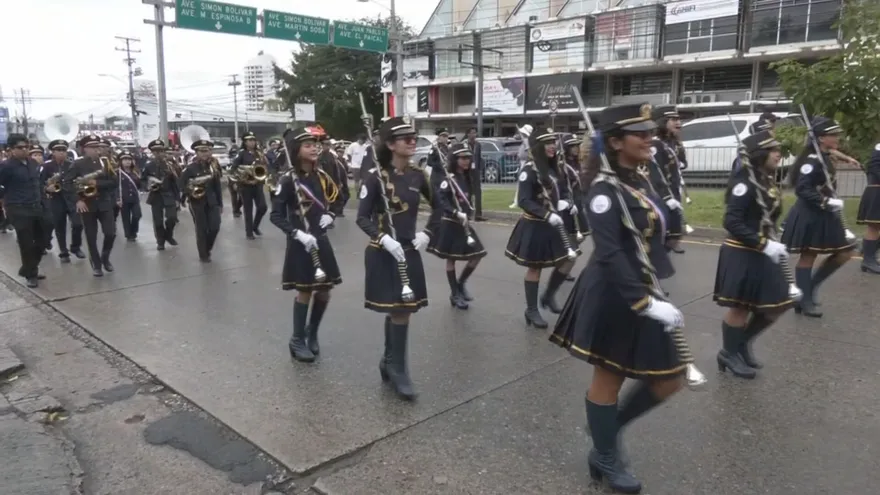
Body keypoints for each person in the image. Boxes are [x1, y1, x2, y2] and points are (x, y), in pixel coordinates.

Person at [550, 104, 687, 494]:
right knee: (610, 375)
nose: (650, 137)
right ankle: (607, 454)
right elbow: (609, 254)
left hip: (645, 286)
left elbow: (650, 237)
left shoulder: (639, 180)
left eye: (651, 132)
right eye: (639, 134)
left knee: (669, 380)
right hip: (615, 293)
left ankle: (605, 434)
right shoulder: (602, 192)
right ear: (614, 142)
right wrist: (645, 302)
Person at [356, 116, 435, 401]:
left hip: (409, 249)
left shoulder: (417, 175)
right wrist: (382, 238)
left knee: (403, 308)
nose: (413, 142)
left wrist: (427, 233)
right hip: (383, 251)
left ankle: (391, 362)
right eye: (406, 139)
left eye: (414, 138)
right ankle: (398, 368)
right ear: (390, 144)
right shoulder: (375, 176)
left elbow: (441, 207)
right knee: (398, 308)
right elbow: (362, 218)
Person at [713, 131, 795, 379]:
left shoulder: (765, 179)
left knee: (774, 306)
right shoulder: (744, 183)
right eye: (773, 150)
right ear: (760, 155)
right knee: (740, 308)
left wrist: (772, 231)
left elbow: (764, 214)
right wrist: (762, 243)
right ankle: (729, 353)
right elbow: (732, 221)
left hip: (762, 252)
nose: (779, 153)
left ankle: (740, 344)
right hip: (743, 252)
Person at [269, 127, 343, 363]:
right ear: (297, 150)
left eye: (315, 144)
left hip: (320, 238)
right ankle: (297, 339)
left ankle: (313, 332)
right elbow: (276, 215)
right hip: (301, 241)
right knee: (305, 290)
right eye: (308, 145)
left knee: (325, 290)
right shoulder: (288, 179)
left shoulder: (322, 176)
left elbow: (340, 197)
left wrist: (331, 214)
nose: (314, 148)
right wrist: (297, 233)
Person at [504, 127, 580, 329]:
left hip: (555, 223)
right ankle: (531, 309)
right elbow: (524, 200)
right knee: (535, 267)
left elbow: (563, 190)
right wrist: (546, 214)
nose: (552, 146)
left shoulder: (554, 168)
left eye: (553, 142)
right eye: (547, 143)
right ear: (538, 147)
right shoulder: (529, 170)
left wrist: (567, 203)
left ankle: (548, 295)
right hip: (536, 224)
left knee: (568, 260)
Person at [781, 117, 856, 317]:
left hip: (826, 214)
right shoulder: (811, 161)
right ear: (821, 138)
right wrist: (826, 202)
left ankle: (809, 287)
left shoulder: (823, 153)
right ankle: (803, 300)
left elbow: (831, 152)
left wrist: (845, 157)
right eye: (833, 135)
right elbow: (803, 189)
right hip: (811, 213)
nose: (837, 137)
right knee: (809, 256)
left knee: (845, 252)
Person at [426, 142, 487, 309]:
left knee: (477, 255)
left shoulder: (466, 177)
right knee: (451, 260)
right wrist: (455, 212)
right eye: (463, 158)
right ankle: (454, 294)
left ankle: (460, 284)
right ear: (455, 159)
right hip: (451, 223)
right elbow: (442, 201)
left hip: (464, 224)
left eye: (468, 157)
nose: (466, 161)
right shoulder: (449, 180)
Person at [63, 135, 117, 277]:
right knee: (91, 236)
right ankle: (96, 264)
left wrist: (97, 184)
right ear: (84, 149)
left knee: (110, 233)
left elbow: (114, 182)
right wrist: (77, 200)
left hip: (104, 202)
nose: (96, 150)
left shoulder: (106, 162)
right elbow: (67, 184)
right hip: (87, 204)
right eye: (92, 147)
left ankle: (105, 257)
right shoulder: (77, 164)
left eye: (97, 147)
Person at [0, 134, 51, 287]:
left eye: (26, 147)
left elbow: (37, 183)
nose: (24, 150)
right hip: (18, 208)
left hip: (36, 206)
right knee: (26, 243)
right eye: (20, 147)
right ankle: (31, 274)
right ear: (11, 149)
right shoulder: (6, 166)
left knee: (44, 239)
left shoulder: (33, 163)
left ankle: (28, 268)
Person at [649, 106, 686, 253]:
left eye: (678, 119)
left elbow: (683, 162)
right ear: (663, 122)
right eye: (674, 119)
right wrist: (666, 196)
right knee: (664, 231)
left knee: (676, 230)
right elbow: (654, 172)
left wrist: (680, 164)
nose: (679, 123)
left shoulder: (675, 143)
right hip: (661, 192)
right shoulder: (655, 144)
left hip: (675, 188)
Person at [179, 139, 223, 262]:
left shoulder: (213, 166)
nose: (205, 153)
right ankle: (203, 254)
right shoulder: (190, 168)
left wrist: (220, 203)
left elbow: (217, 187)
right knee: (201, 228)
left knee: (215, 227)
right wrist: (191, 188)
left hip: (212, 201)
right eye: (202, 151)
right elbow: (181, 184)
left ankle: (207, 248)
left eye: (207, 151)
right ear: (196, 152)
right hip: (197, 202)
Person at [41, 139, 85, 262]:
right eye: (58, 150)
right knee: (60, 227)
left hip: (72, 199)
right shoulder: (47, 166)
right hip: (56, 199)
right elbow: (39, 183)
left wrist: (80, 198)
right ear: (53, 152)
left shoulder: (72, 165)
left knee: (78, 224)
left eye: (64, 150)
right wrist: (46, 188)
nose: (61, 153)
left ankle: (75, 247)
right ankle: (63, 252)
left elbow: (80, 182)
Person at [559, 133, 591, 281]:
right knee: (572, 237)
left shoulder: (578, 163)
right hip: (569, 205)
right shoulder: (562, 165)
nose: (576, 149)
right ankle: (565, 261)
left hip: (580, 202)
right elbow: (560, 187)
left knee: (584, 233)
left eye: (577, 145)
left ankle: (564, 251)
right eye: (572, 146)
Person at [141, 139, 181, 250]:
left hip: (169, 194)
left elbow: (175, 182)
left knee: (172, 218)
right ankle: (160, 242)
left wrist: (178, 198)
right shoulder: (149, 166)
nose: (158, 153)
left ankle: (168, 235)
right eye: (156, 151)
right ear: (152, 153)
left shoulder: (170, 165)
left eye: (161, 151)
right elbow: (143, 180)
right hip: (156, 195)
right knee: (158, 222)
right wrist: (148, 184)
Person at [231, 132, 268, 239]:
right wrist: (243, 171)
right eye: (249, 140)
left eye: (253, 140)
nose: (252, 142)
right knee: (248, 209)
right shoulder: (242, 153)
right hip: (245, 185)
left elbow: (264, 166)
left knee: (262, 207)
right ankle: (249, 233)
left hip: (257, 184)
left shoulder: (259, 153)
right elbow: (234, 167)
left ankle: (255, 226)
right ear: (245, 142)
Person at [856, 143, 880, 273]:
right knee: (874, 226)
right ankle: (868, 259)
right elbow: (874, 168)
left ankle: (868, 251)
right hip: (877, 190)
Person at [117, 151, 142, 241]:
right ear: (121, 161)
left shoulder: (135, 172)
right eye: (125, 160)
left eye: (129, 160)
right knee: (126, 218)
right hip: (123, 198)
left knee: (137, 215)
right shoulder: (118, 173)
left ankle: (133, 231)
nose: (127, 161)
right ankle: (128, 235)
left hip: (134, 198)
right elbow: (115, 186)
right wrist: (117, 198)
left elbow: (139, 185)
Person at [465, 127, 487, 221]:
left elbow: (479, 157)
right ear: (468, 134)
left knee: (478, 193)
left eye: (475, 133)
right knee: (468, 193)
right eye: (472, 133)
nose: (474, 135)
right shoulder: (465, 144)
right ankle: (468, 213)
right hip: (467, 171)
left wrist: (480, 168)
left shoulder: (478, 145)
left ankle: (478, 214)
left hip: (476, 171)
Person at [509, 124, 533, 208]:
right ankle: (517, 201)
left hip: (526, 163)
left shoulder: (527, 141)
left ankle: (518, 201)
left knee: (522, 183)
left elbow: (529, 154)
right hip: (522, 163)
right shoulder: (525, 140)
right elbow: (516, 136)